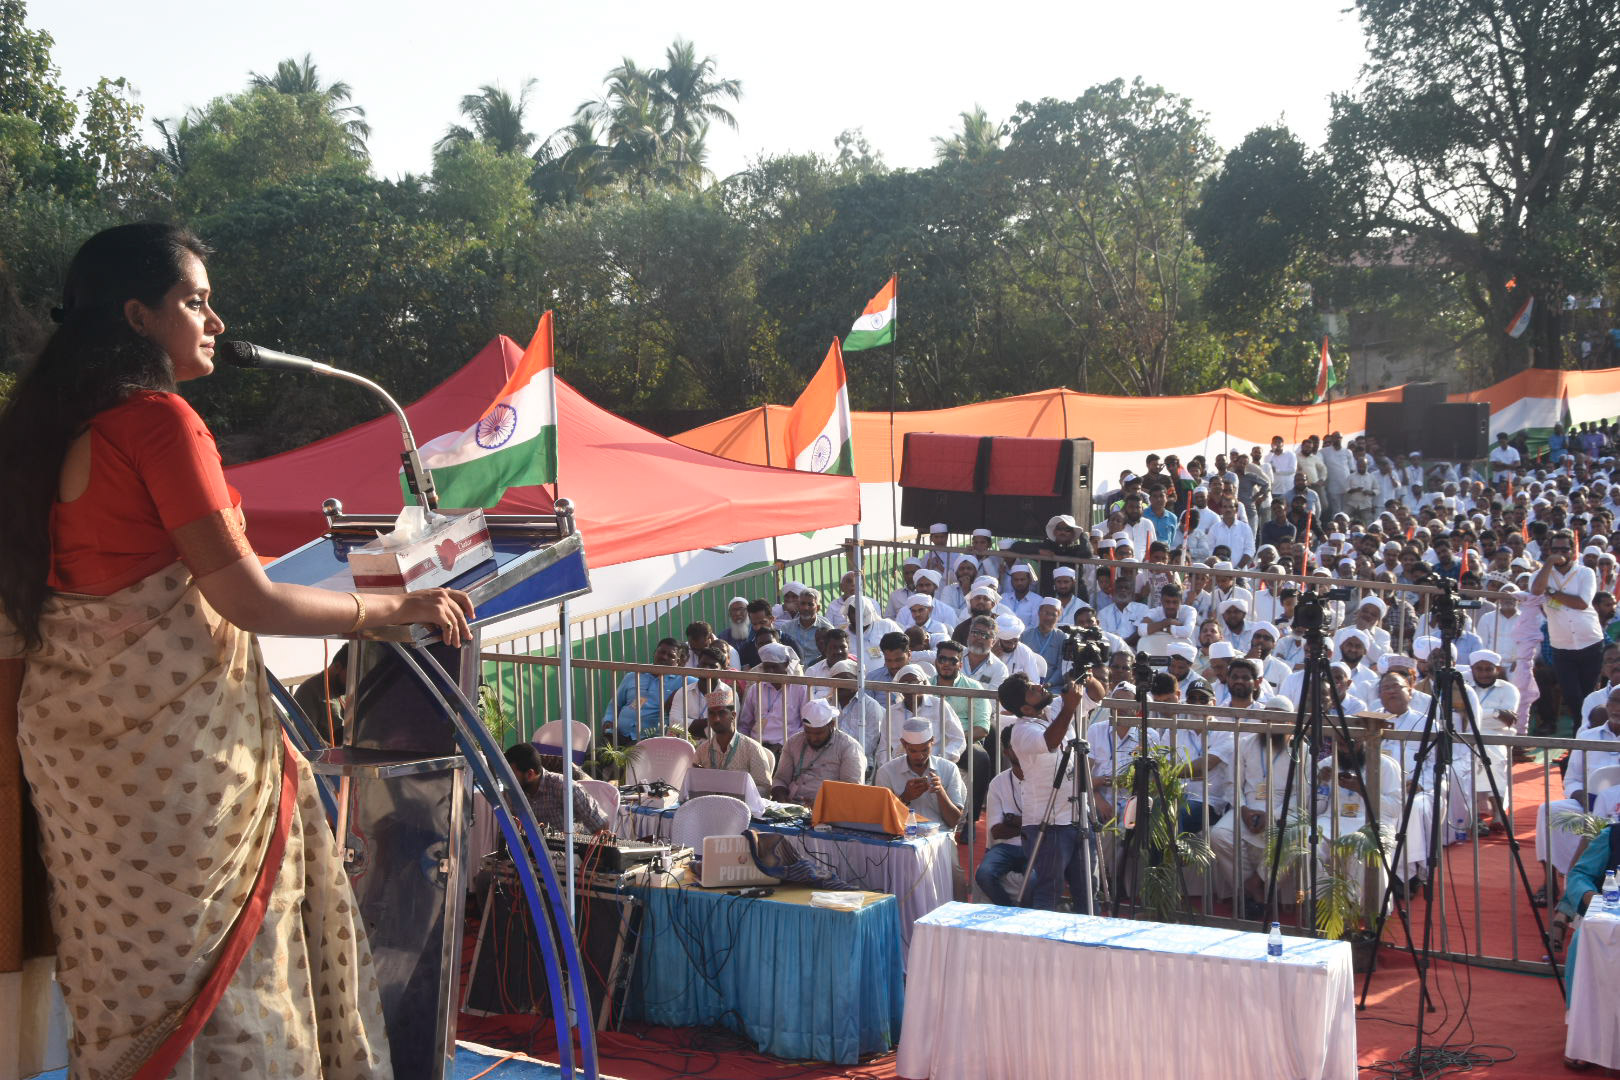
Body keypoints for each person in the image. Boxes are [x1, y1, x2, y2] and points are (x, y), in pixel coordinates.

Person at [0, 224, 481, 1076]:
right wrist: (393, 608)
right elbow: (247, 599)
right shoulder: (157, 424)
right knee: (239, 988)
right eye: (196, 302)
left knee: (128, 991)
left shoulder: (35, 440)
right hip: (181, 774)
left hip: (80, 777)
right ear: (138, 317)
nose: (216, 323)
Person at [1000, 671, 1106, 911]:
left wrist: (1087, 675)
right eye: (1032, 690)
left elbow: (1096, 695)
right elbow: (1049, 742)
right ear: (1026, 709)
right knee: (1049, 890)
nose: (1039, 687)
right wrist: (1069, 708)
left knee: (1089, 891)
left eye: (1035, 684)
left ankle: (1089, 932)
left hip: (1079, 815)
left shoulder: (1054, 708)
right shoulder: (1021, 731)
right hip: (1048, 824)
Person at [1533, 529, 1605, 731]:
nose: (1560, 554)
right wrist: (1548, 563)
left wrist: (1552, 592)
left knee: (1588, 693)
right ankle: (1580, 731)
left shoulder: (1585, 572)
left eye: (1564, 549)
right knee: (1571, 694)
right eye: (1555, 550)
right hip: (1562, 645)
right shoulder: (1542, 574)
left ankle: (1583, 733)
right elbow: (1536, 590)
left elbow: (1581, 603)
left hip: (1590, 641)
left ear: (1573, 551)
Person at [769, 698, 866, 805]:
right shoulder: (793, 742)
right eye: (808, 732)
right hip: (793, 804)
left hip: (830, 808)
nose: (813, 738)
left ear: (831, 725)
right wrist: (780, 796)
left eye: (818, 733)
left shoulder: (849, 747)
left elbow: (853, 790)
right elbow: (781, 779)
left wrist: (820, 804)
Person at [874, 717, 967, 828]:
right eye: (913, 751)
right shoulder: (886, 772)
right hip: (901, 834)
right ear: (903, 744)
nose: (919, 756)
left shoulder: (949, 769)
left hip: (939, 834)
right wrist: (905, 798)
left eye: (925, 750)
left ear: (932, 741)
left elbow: (954, 821)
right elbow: (881, 818)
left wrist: (940, 792)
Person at [976, 726, 1030, 906]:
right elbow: (997, 831)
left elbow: (1047, 826)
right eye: (1016, 746)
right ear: (1006, 751)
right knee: (984, 874)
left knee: (1034, 879)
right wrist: (1030, 825)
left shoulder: (1043, 779)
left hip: (1035, 846)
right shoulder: (998, 782)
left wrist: (1014, 820)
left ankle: (1023, 915)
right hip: (1005, 847)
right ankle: (1010, 912)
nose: (1022, 750)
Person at [504, 742, 609, 835]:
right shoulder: (512, 792)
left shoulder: (564, 787)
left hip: (571, 850)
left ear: (530, 774)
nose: (506, 779)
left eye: (511, 774)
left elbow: (601, 824)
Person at [689, 684, 776, 795]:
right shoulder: (703, 750)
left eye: (721, 713)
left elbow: (764, 788)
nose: (716, 719)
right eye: (712, 714)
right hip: (709, 803)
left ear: (733, 716)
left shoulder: (752, 749)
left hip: (741, 804)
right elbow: (692, 785)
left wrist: (738, 792)